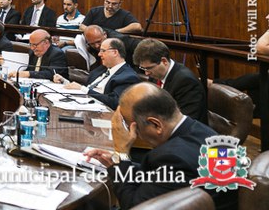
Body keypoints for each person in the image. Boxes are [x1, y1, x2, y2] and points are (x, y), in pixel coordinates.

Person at [84, 84, 236, 210]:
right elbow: (160, 177)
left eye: (133, 128)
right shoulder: (204, 132)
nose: (133, 135)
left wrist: (121, 154)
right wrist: (120, 164)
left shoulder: (172, 158)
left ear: (156, 125)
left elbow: (133, 205)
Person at [133, 38, 207, 122]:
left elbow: (186, 121)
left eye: (148, 68)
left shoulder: (186, 81)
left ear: (164, 61)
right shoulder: (155, 75)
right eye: (143, 68)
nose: (146, 73)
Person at [59, 37, 140, 109]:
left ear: (115, 52)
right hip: (80, 103)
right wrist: (65, 82)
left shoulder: (128, 76)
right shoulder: (102, 69)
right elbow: (87, 86)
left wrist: (84, 90)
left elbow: (114, 102)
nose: (99, 54)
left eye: (103, 51)